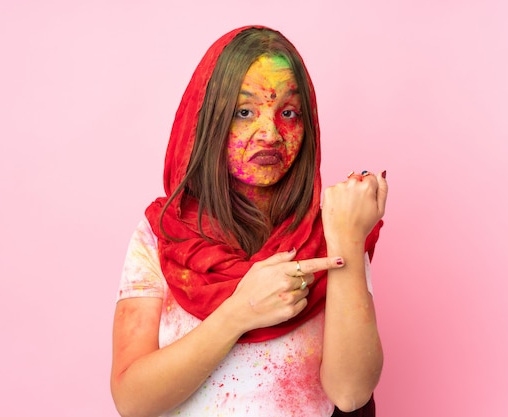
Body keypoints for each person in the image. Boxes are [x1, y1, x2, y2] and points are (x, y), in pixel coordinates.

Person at [110, 26, 388, 417]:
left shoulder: (331, 231)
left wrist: (345, 241)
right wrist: (241, 311)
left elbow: (350, 392)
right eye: (244, 112)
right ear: (208, 120)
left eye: (288, 112)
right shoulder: (161, 236)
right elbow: (132, 400)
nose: (271, 133)